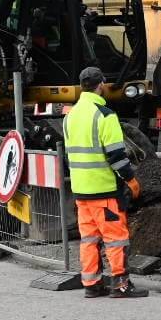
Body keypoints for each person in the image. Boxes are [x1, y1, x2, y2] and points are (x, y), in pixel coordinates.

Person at [64, 66, 147, 298]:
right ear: (101, 85)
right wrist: (131, 180)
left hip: (81, 191)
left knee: (88, 239)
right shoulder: (105, 114)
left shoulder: (70, 115)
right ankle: (120, 285)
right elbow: (116, 157)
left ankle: (91, 285)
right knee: (115, 239)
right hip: (104, 190)